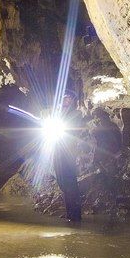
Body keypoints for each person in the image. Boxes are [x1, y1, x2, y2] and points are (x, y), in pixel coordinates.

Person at [52, 89, 85, 222]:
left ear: (73, 100)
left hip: (68, 151)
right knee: (62, 182)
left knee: (70, 182)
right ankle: (70, 213)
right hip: (58, 149)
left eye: (68, 98)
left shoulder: (76, 114)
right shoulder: (59, 114)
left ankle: (75, 215)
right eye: (64, 98)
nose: (65, 101)